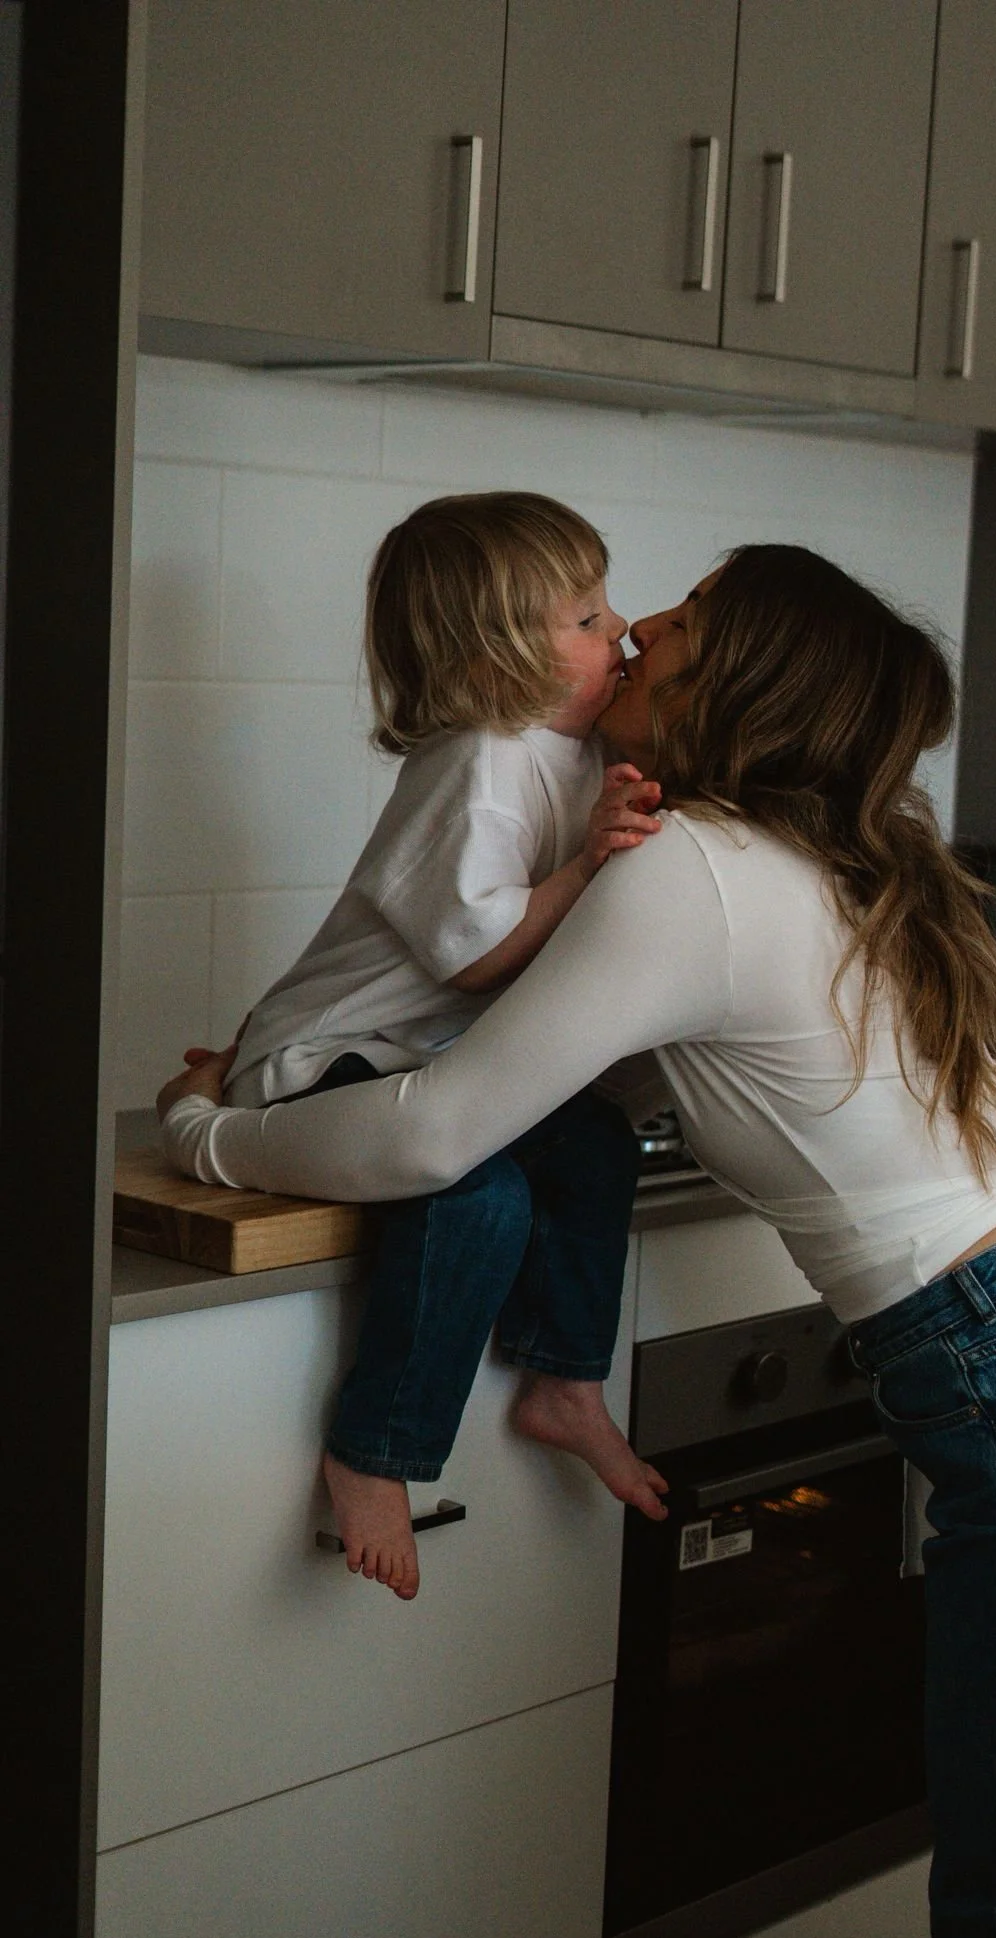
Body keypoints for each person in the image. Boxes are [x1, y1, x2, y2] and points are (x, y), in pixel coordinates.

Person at [159, 544, 996, 1938]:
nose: (643, 633)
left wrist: (213, 1135)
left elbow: (434, 1130)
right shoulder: (826, 860)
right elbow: (525, 1062)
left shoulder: (693, 871)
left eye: (678, 622)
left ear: (729, 680)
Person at [195, 492, 670, 1603]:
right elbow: (477, 957)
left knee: (597, 1147)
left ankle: (562, 1380)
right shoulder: (480, 759)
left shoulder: (571, 746)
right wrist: (590, 863)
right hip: (331, 1057)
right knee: (475, 1196)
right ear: (500, 652)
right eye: (588, 618)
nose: (623, 633)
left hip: (434, 1065)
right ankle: (377, 1447)